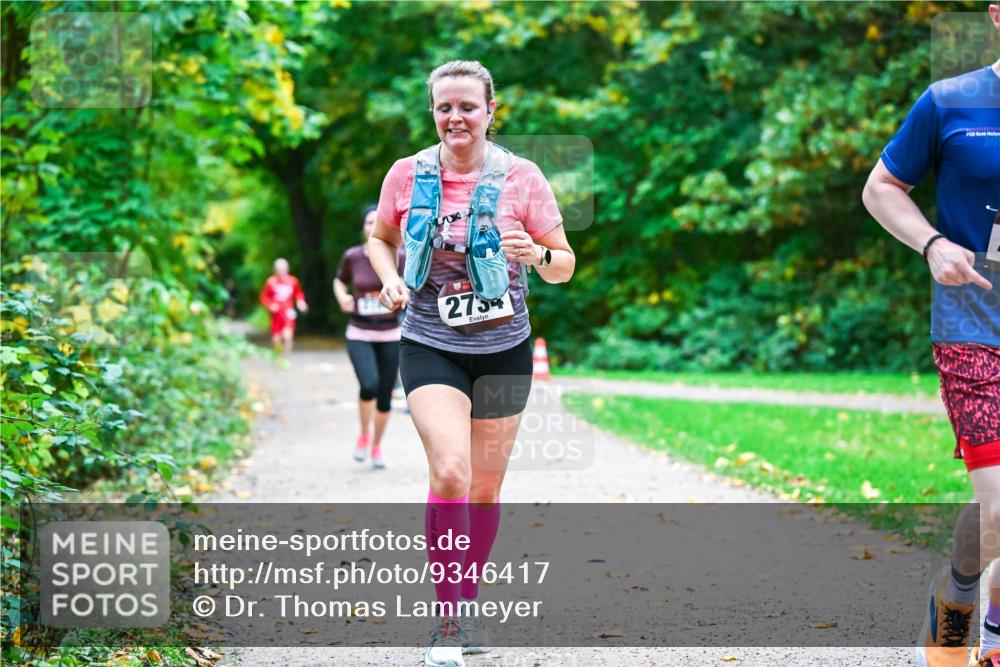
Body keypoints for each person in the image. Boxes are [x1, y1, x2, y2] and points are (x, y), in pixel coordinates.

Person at [367, 60, 575, 667]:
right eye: (443, 107)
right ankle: (449, 620)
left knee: (484, 487)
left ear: (490, 111)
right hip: (430, 341)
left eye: (467, 107)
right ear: (432, 112)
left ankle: (470, 594)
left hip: (505, 347)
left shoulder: (523, 177)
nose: (455, 117)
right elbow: (382, 237)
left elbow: (564, 263)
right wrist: (388, 280)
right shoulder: (407, 174)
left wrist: (535, 252)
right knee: (452, 471)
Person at [862, 6, 1000, 665]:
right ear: (997, 15)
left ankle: (966, 603)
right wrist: (933, 243)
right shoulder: (951, 101)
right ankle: (978, 625)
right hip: (973, 326)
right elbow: (881, 186)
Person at [333, 206, 404, 469]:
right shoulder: (353, 256)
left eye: (377, 221)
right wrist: (343, 298)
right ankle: (363, 435)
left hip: (390, 334)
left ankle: (376, 445)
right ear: (363, 228)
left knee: (385, 395)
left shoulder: (401, 257)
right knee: (369, 385)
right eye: (367, 221)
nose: (372, 225)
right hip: (359, 332)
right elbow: (339, 281)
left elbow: (414, 286)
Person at [259, 258, 308, 356]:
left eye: (283, 268)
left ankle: (286, 356)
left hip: (288, 312)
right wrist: (270, 305)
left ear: (287, 268)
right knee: (276, 339)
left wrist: (301, 302)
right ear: (275, 270)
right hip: (276, 314)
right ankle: (278, 357)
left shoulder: (293, 281)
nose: (281, 271)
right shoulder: (270, 282)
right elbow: (263, 297)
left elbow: (298, 294)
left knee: (287, 335)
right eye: (279, 269)